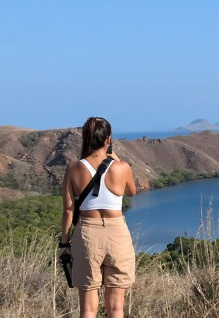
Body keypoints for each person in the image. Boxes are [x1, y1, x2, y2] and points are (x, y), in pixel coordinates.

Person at [60, 117, 137, 318]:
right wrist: (117, 160)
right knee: (116, 308)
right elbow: (131, 192)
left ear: (85, 138)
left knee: (87, 309)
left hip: (87, 234)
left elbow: (68, 210)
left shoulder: (74, 168)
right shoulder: (122, 167)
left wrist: (64, 244)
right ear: (108, 139)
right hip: (117, 233)